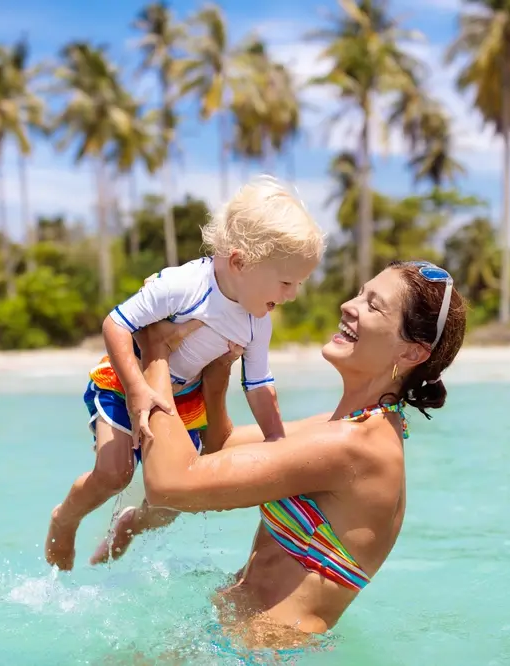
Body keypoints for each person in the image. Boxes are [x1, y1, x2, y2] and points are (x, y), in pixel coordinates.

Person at [133, 259, 467, 650]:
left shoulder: (358, 447)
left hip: (254, 653)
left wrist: (155, 350)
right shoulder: (343, 426)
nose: (349, 305)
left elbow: (170, 485)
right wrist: (219, 370)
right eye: (360, 292)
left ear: (412, 353)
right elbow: (220, 447)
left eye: (374, 305)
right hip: (231, 642)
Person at [44, 176, 326, 570]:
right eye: (286, 282)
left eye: (299, 284)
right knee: (115, 474)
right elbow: (116, 324)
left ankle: (129, 527)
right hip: (124, 383)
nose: (293, 295)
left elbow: (260, 386)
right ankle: (66, 519)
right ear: (240, 262)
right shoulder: (184, 284)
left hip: (186, 397)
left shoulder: (257, 320)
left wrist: (278, 443)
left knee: (175, 498)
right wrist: (137, 389)